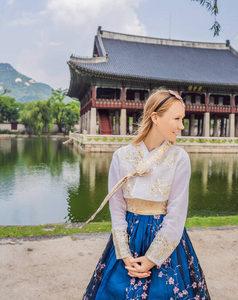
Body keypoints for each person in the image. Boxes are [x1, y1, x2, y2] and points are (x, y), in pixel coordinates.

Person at [82, 89, 210, 300]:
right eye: (177, 119)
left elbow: (177, 214)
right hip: (128, 238)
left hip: (165, 238)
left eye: (182, 119)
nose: (181, 126)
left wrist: (152, 258)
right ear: (155, 117)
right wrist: (123, 253)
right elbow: (116, 207)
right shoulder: (122, 156)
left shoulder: (179, 158)